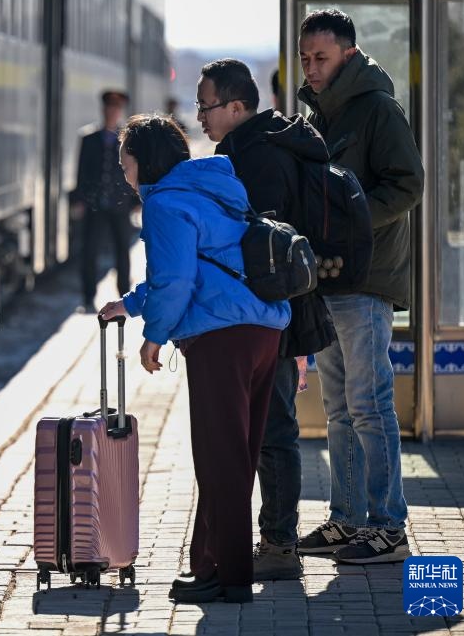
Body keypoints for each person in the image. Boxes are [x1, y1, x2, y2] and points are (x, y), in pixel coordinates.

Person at [99, 115, 291, 603]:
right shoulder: (217, 188)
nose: (124, 173)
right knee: (235, 455)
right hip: (263, 330)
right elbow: (202, 264)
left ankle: (231, 576)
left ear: (144, 162)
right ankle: (209, 564)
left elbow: (177, 280)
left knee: (219, 458)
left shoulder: (165, 203)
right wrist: (132, 303)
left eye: (125, 163)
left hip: (221, 339)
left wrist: (154, 335)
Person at [197, 58, 336, 581]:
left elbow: (262, 243)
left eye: (206, 106)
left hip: (272, 311)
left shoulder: (256, 156)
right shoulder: (255, 145)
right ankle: (274, 540)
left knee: (274, 429)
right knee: (269, 426)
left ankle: (278, 544)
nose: (200, 117)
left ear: (236, 107)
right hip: (274, 310)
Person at [295, 9, 423, 564]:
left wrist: (350, 220)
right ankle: (346, 520)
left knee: (369, 405)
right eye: (305, 58)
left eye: (321, 58)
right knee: (339, 409)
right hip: (329, 280)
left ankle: (388, 527)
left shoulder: (378, 110)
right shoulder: (318, 117)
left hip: (367, 279)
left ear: (348, 55)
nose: (311, 68)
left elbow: (408, 184)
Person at [71, 89, 137, 313]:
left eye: (116, 108)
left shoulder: (127, 139)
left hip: (120, 204)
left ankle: (124, 296)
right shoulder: (89, 138)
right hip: (95, 204)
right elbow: (81, 172)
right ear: (103, 110)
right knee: (89, 250)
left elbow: (134, 170)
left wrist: (136, 201)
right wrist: (79, 199)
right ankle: (88, 297)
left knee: (122, 251)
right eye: (109, 108)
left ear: (120, 112)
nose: (112, 112)